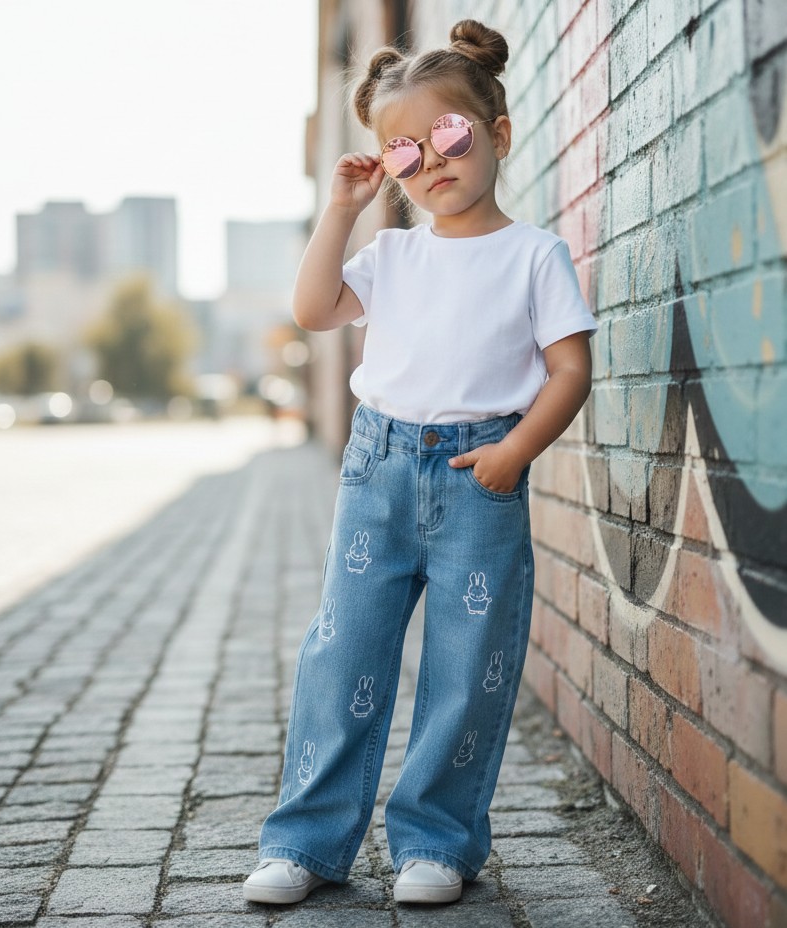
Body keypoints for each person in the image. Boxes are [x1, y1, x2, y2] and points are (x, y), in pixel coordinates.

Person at [243, 18, 598, 906]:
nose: (430, 163)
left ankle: (436, 842)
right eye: (405, 152)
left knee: (465, 667)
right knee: (342, 652)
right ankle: (307, 842)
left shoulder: (533, 255)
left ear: (497, 133)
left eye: (448, 136)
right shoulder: (391, 253)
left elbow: (570, 370)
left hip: (482, 472)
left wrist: (515, 452)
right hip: (379, 469)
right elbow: (315, 308)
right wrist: (341, 210)